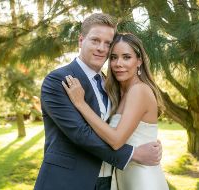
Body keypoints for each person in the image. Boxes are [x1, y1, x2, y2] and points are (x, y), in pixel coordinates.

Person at [34, 13, 162, 190]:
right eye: (95, 40)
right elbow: (80, 133)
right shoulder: (59, 80)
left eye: (108, 43)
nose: (101, 48)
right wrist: (133, 153)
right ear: (81, 40)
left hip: (109, 181)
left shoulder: (109, 84)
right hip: (68, 181)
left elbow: (128, 125)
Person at [62, 33, 169, 190]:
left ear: (139, 61)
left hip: (142, 178)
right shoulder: (118, 93)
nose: (118, 63)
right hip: (123, 175)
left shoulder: (139, 91)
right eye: (113, 57)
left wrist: (80, 103)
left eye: (126, 57)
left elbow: (116, 140)